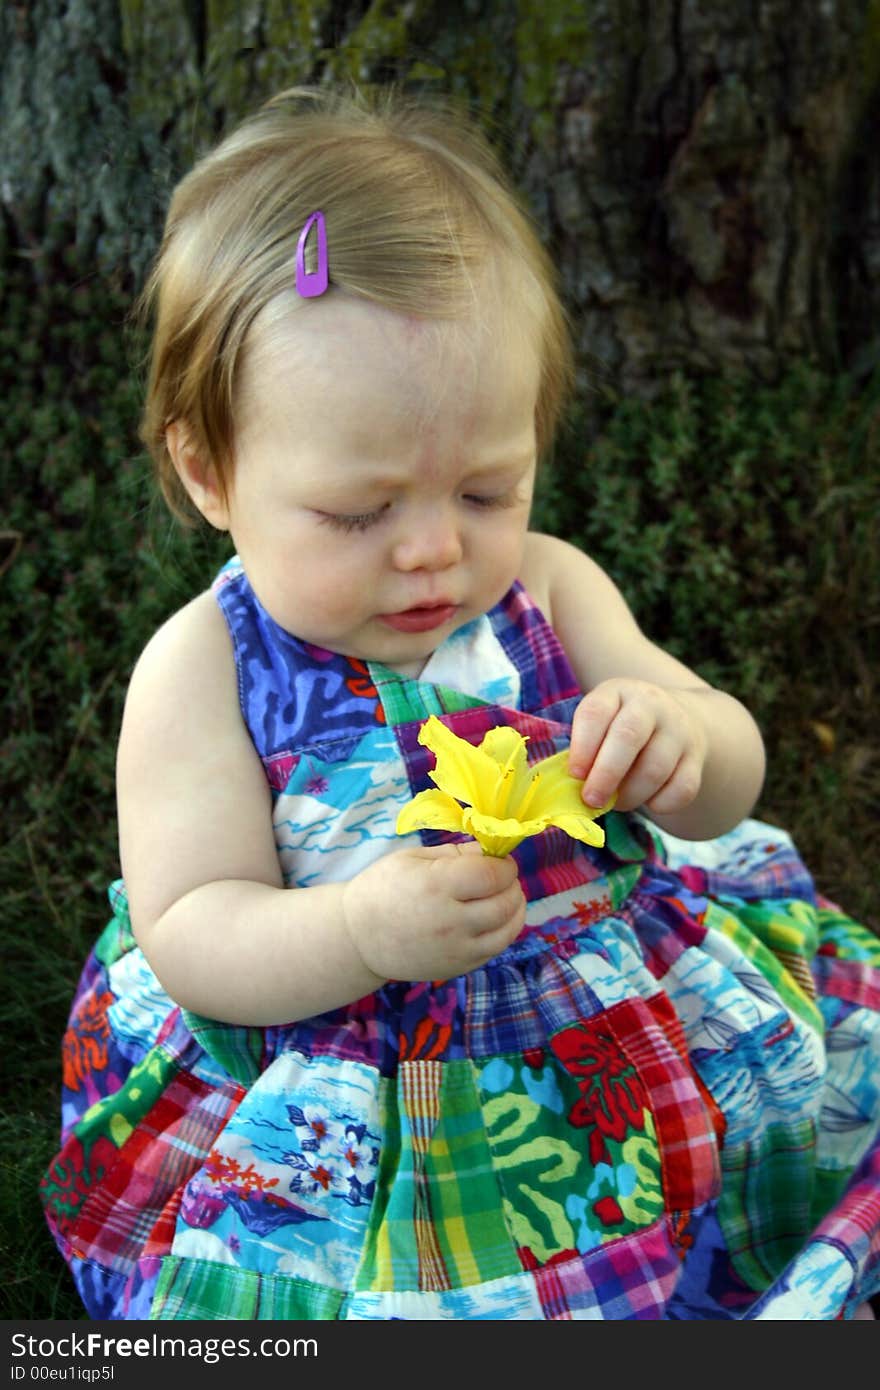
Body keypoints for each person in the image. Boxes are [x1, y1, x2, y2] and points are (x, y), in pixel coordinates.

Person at [41, 84, 880, 1322]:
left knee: (735, 1159)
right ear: (209, 469)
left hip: (602, 1000)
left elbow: (728, 774)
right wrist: (359, 935)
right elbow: (195, 929)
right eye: (361, 512)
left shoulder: (547, 587)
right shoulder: (203, 670)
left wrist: (683, 742)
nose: (433, 551)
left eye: (486, 489)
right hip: (357, 1067)